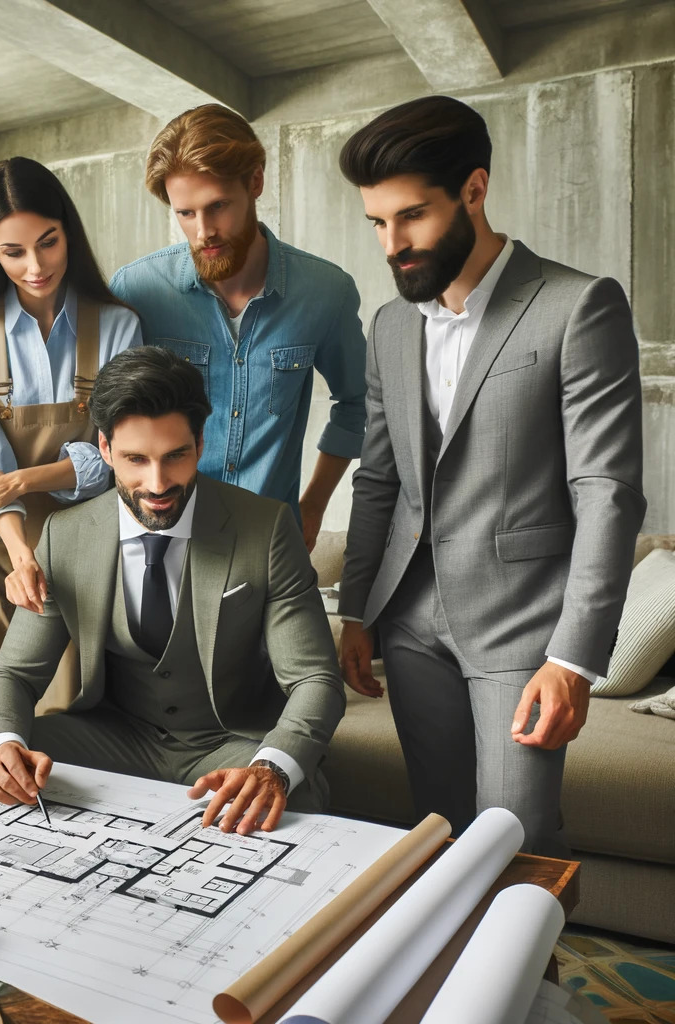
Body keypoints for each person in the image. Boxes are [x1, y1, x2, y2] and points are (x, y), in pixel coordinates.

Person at [335, 96, 645, 854]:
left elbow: (607, 492)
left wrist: (572, 657)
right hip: (408, 621)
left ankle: (533, 977)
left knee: (518, 840)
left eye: (411, 216)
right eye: (378, 223)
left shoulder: (578, 306)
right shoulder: (391, 323)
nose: (392, 244)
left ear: (474, 190)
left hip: (521, 626)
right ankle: (450, 977)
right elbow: (379, 477)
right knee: (438, 833)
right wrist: (355, 610)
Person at [0, 346, 345, 835]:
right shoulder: (65, 535)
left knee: (293, 797)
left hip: (232, 740)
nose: (158, 483)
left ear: (200, 443)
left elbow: (315, 680)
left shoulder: (267, 528)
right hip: (115, 738)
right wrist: (1, 744)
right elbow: (15, 675)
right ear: (104, 449)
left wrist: (271, 766)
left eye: (176, 456)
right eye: (135, 459)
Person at [0, 157, 141, 745]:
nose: (36, 266)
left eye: (48, 243)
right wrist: (20, 552)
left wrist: (21, 483)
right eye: (13, 252)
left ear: (67, 230)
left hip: (84, 538)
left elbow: (114, 460)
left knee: (65, 715)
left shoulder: (118, 326)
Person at [110, 104, 367, 550]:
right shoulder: (137, 290)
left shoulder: (326, 291)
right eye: (185, 213)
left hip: (270, 542)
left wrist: (314, 506)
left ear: (256, 182)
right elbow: (112, 420)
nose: (203, 231)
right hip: (163, 544)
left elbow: (358, 403)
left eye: (218, 207)